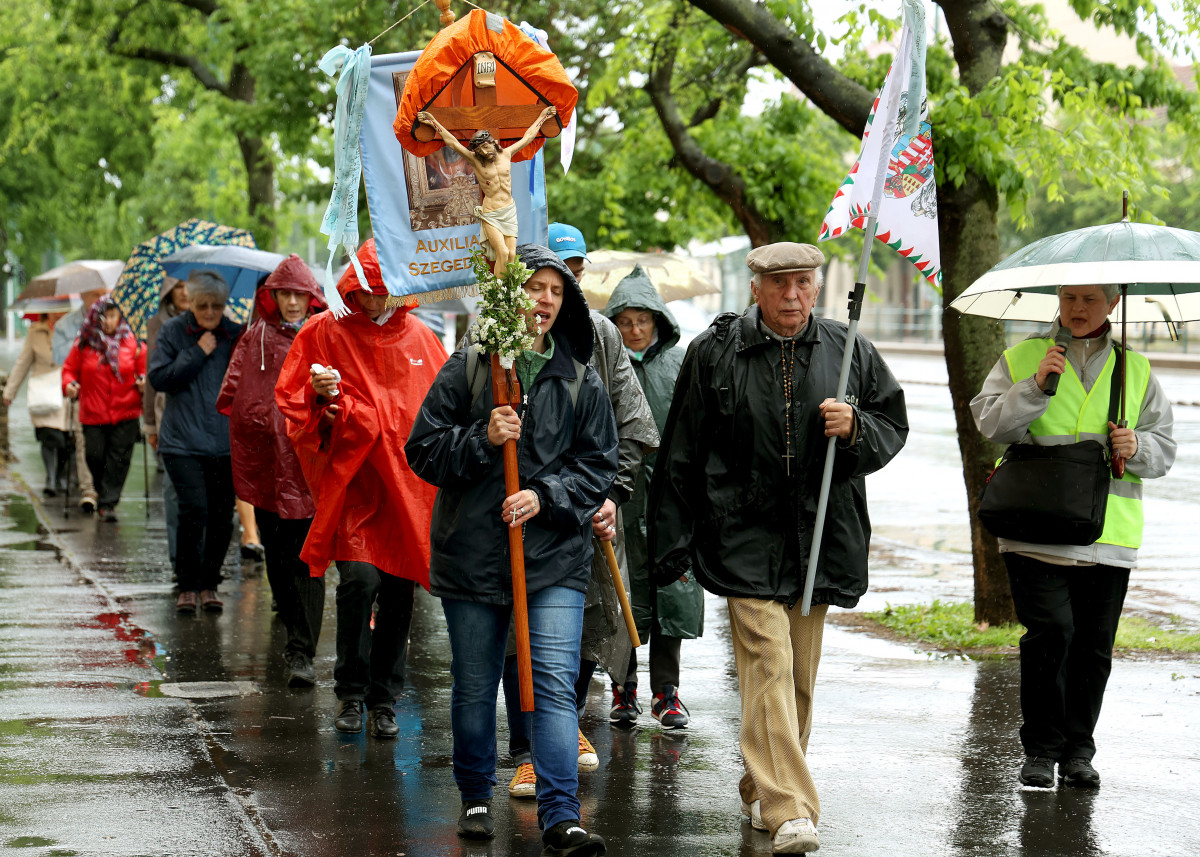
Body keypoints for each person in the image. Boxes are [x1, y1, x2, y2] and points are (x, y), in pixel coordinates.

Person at [648, 243, 908, 854]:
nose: (794, 295)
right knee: (769, 663)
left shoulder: (849, 350)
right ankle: (791, 808)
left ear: (818, 288)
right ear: (756, 286)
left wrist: (857, 428)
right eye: (781, 284)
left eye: (804, 283)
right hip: (741, 535)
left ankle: (760, 787)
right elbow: (681, 449)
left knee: (797, 680)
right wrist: (673, 542)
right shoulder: (715, 352)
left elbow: (891, 425)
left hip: (819, 535)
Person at [406, 244, 617, 855]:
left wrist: (543, 496)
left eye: (554, 290)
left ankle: (561, 815)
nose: (545, 299)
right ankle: (475, 793)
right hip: (472, 557)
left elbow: (598, 464)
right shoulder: (471, 368)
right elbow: (422, 449)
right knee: (474, 685)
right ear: (508, 297)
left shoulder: (580, 379)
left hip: (553, 559)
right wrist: (481, 436)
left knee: (551, 684)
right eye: (532, 287)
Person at [970, 283, 1175, 790]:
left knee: (1093, 648)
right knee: (1051, 634)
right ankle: (1040, 750)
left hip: (1110, 535)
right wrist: (1035, 388)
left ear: (1114, 303)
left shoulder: (1137, 369)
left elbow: (1164, 449)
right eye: (1068, 298)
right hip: (1034, 529)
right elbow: (990, 422)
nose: (1077, 309)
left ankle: (1078, 752)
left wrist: (1137, 444)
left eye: (1090, 300)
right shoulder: (1024, 358)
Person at [503, 234, 659, 799]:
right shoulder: (494, 330)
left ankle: (564, 729)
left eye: (568, 274)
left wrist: (613, 494)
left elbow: (632, 426)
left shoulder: (604, 336)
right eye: (543, 280)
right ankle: (528, 750)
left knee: (587, 626)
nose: (555, 290)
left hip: (589, 512)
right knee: (518, 632)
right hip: (517, 516)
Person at [276, 239, 446, 738]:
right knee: (360, 581)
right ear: (352, 286)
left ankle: (386, 697)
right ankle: (351, 691)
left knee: (399, 588)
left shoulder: (420, 338)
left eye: (385, 291)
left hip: (406, 491)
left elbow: (443, 406)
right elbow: (294, 404)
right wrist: (322, 397)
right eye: (367, 290)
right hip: (355, 489)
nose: (376, 301)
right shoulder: (323, 332)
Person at [217, 255, 327, 688]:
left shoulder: (324, 335)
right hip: (266, 464)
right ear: (273, 296)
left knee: (309, 559)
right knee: (278, 557)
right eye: (285, 294)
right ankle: (291, 623)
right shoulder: (254, 336)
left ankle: (301, 651)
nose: (293, 302)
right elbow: (236, 393)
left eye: (300, 294)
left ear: (310, 296)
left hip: (308, 465)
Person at [604, 265, 703, 728]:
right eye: (625, 321)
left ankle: (668, 691)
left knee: (670, 593)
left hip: (671, 498)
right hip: (622, 498)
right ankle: (623, 690)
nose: (635, 329)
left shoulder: (681, 363)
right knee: (623, 591)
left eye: (643, 319)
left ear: (659, 320)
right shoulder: (602, 365)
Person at [148, 271, 244, 615]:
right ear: (190, 302)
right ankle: (187, 586)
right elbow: (158, 378)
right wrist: (196, 353)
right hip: (181, 442)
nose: (209, 312)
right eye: (202, 305)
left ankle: (209, 584)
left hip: (223, 441)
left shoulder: (235, 334)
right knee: (194, 510)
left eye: (216, 306)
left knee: (222, 516)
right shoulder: (174, 332)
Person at [417, 107, 557, 276]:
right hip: (491, 213)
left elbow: (528, 136)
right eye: (480, 150)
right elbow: (452, 142)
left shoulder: (507, 154)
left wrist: (543, 117)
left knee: (512, 255)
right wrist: (433, 122)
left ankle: (508, 295)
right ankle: (499, 291)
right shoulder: (475, 161)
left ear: (491, 142)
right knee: (503, 253)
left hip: (509, 211)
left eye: (485, 147)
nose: (484, 152)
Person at [61, 299, 147, 523]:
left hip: (126, 411)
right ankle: (102, 489)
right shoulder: (84, 344)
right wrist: (69, 385)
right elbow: (69, 370)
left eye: (112, 316)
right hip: (93, 412)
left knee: (119, 459)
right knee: (94, 455)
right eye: (103, 317)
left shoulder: (134, 343)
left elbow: (144, 370)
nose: (107, 322)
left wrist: (143, 382)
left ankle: (108, 503)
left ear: (120, 317)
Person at [145, 276, 189, 565]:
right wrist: (149, 423)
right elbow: (152, 377)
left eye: (190, 286)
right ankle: (177, 558)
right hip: (168, 415)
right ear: (168, 293)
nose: (185, 292)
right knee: (173, 489)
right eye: (178, 287)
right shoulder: (157, 325)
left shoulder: (217, 321)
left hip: (208, 418)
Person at [4, 312, 70, 497]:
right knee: (48, 435)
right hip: (43, 391)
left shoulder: (75, 328)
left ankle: (61, 476)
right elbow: (23, 362)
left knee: (65, 438)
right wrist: (10, 391)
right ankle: (50, 477)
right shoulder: (35, 332)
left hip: (65, 389)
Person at [52, 287, 105, 512]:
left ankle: (105, 489)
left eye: (104, 294)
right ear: (82, 296)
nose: (100, 299)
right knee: (84, 444)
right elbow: (61, 359)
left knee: (109, 447)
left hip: (111, 398)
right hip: (84, 394)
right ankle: (89, 489)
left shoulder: (118, 322)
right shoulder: (66, 325)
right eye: (95, 294)